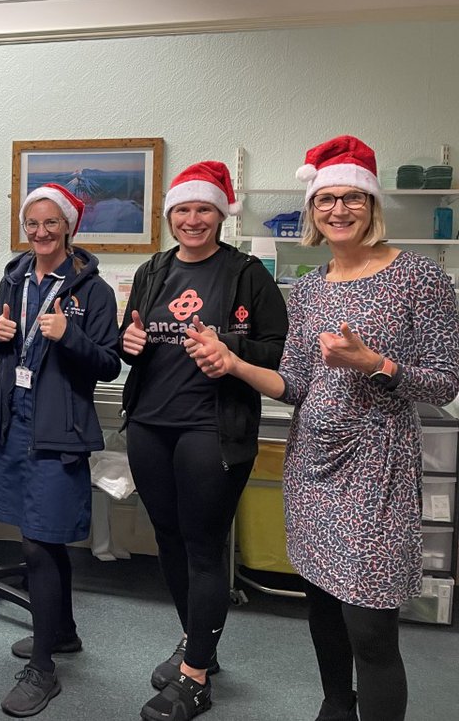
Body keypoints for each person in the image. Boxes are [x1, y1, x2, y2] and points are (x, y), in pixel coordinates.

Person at [186, 136, 459, 721]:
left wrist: (377, 365)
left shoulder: (418, 277)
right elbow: (295, 383)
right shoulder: (309, 286)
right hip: (312, 461)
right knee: (323, 607)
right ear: (312, 210)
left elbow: (443, 383)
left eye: (350, 199)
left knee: (370, 625)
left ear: (372, 205)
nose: (337, 210)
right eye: (325, 200)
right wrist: (233, 364)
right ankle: (336, 706)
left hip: (375, 465)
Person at [118, 160, 287, 721]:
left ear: (220, 215)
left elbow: (279, 351)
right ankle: (198, 643)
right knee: (166, 536)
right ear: (170, 216)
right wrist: (131, 340)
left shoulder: (245, 274)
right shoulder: (154, 270)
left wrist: (230, 354)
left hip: (210, 428)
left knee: (203, 547)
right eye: (183, 210)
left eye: (204, 210)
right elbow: (131, 339)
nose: (193, 220)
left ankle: (195, 679)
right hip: (150, 423)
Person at [0, 184, 122, 717]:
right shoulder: (15, 276)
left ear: (68, 227)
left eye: (50, 224)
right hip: (16, 420)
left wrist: (69, 335)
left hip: (59, 428)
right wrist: (0, 337)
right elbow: (8, 350)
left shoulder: (93, 291)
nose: (40, 233)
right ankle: (61, 631)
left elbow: (109, 364)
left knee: (41, 545)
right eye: (32, 224)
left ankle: (43, 667)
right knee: (36, 534)